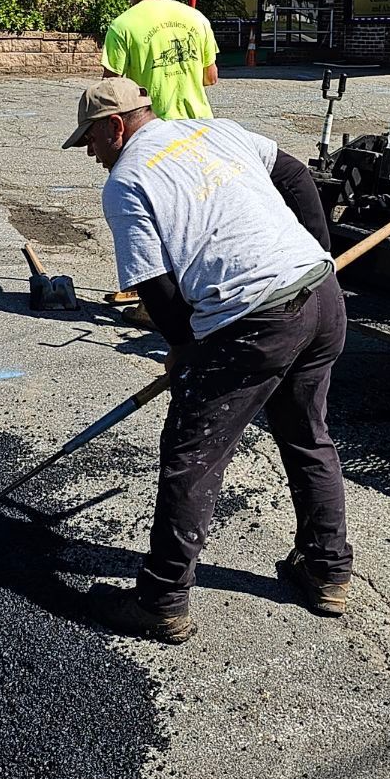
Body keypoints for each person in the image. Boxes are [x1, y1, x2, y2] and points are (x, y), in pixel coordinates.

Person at [64, 76, 351, 643]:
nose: (91, 154)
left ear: (116, 126)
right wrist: (321, 254)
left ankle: (161, 599)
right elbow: (295, 175)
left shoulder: (127, 181)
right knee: (306, 434)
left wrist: (184, 351)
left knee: (192, 455)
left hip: (255, 320)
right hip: (321, 300)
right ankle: (326, 570)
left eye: (91, 141)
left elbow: (155, 286)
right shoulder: (214, 131)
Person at [102, 0, 219, 122]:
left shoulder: (121, 26)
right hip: (200, 125)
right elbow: (210, 77)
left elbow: (111, 89)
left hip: (153, 128)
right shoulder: (197, 18)